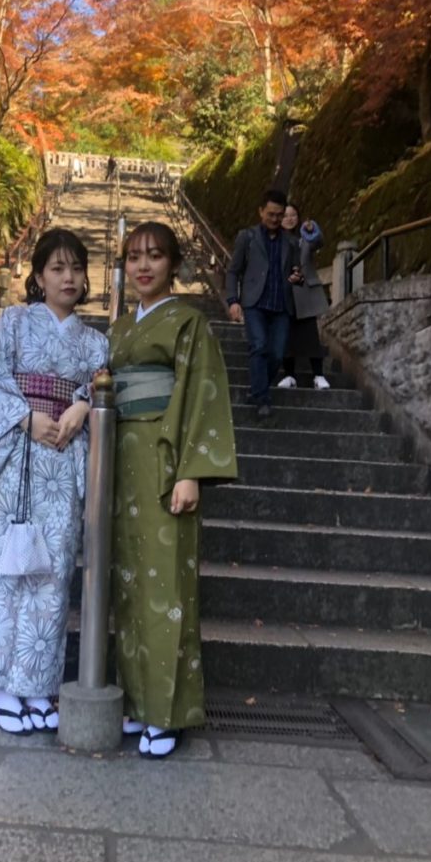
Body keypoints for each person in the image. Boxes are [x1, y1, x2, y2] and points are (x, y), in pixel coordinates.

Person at [0, 228, 108, 735]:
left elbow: (103, 384)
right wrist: (25, 418)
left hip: (63, 464)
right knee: (5, 574)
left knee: (51, 577)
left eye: (76, 268)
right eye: (57, 269)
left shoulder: (95, 342)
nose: (68, 278)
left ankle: (39, 688)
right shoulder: (13, 323)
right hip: (16, 458)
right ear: (39, 276)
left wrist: (84, 404)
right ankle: (3, 687)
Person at [108, 221, 237, 759]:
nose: (143, 266)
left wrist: (191, 471)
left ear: (174, 264)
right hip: (119, 463)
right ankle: (139, 703)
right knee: (130, 586)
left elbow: (201, 391)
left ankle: (169, 710)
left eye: (154, 256)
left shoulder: (189, 323)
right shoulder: (119, 328)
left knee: (167, 589)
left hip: (163, 456)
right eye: (134, 257)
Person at [225, 189, 302, 418]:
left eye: (279, 215)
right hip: (255, 303)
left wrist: (297, 278)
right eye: (271, 214)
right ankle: (262, 399)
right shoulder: (247, 237)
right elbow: (233, 271)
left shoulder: (291, 242)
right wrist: (233, 300)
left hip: (281, 305)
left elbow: (297, 272)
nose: (275, 219)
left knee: (277, 355)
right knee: (258, 346)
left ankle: (257, 389)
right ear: (261, 212)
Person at [278, 203, 330, 390]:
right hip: (285, 293)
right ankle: (290, 375)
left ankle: (319, 375)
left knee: (310, 335)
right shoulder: (276, 240)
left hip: (304, 293)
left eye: (293, 215)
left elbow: (319, 241)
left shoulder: (304, 239)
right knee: (286, 336)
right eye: (285, 215)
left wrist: (312, 228)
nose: (289, 218)